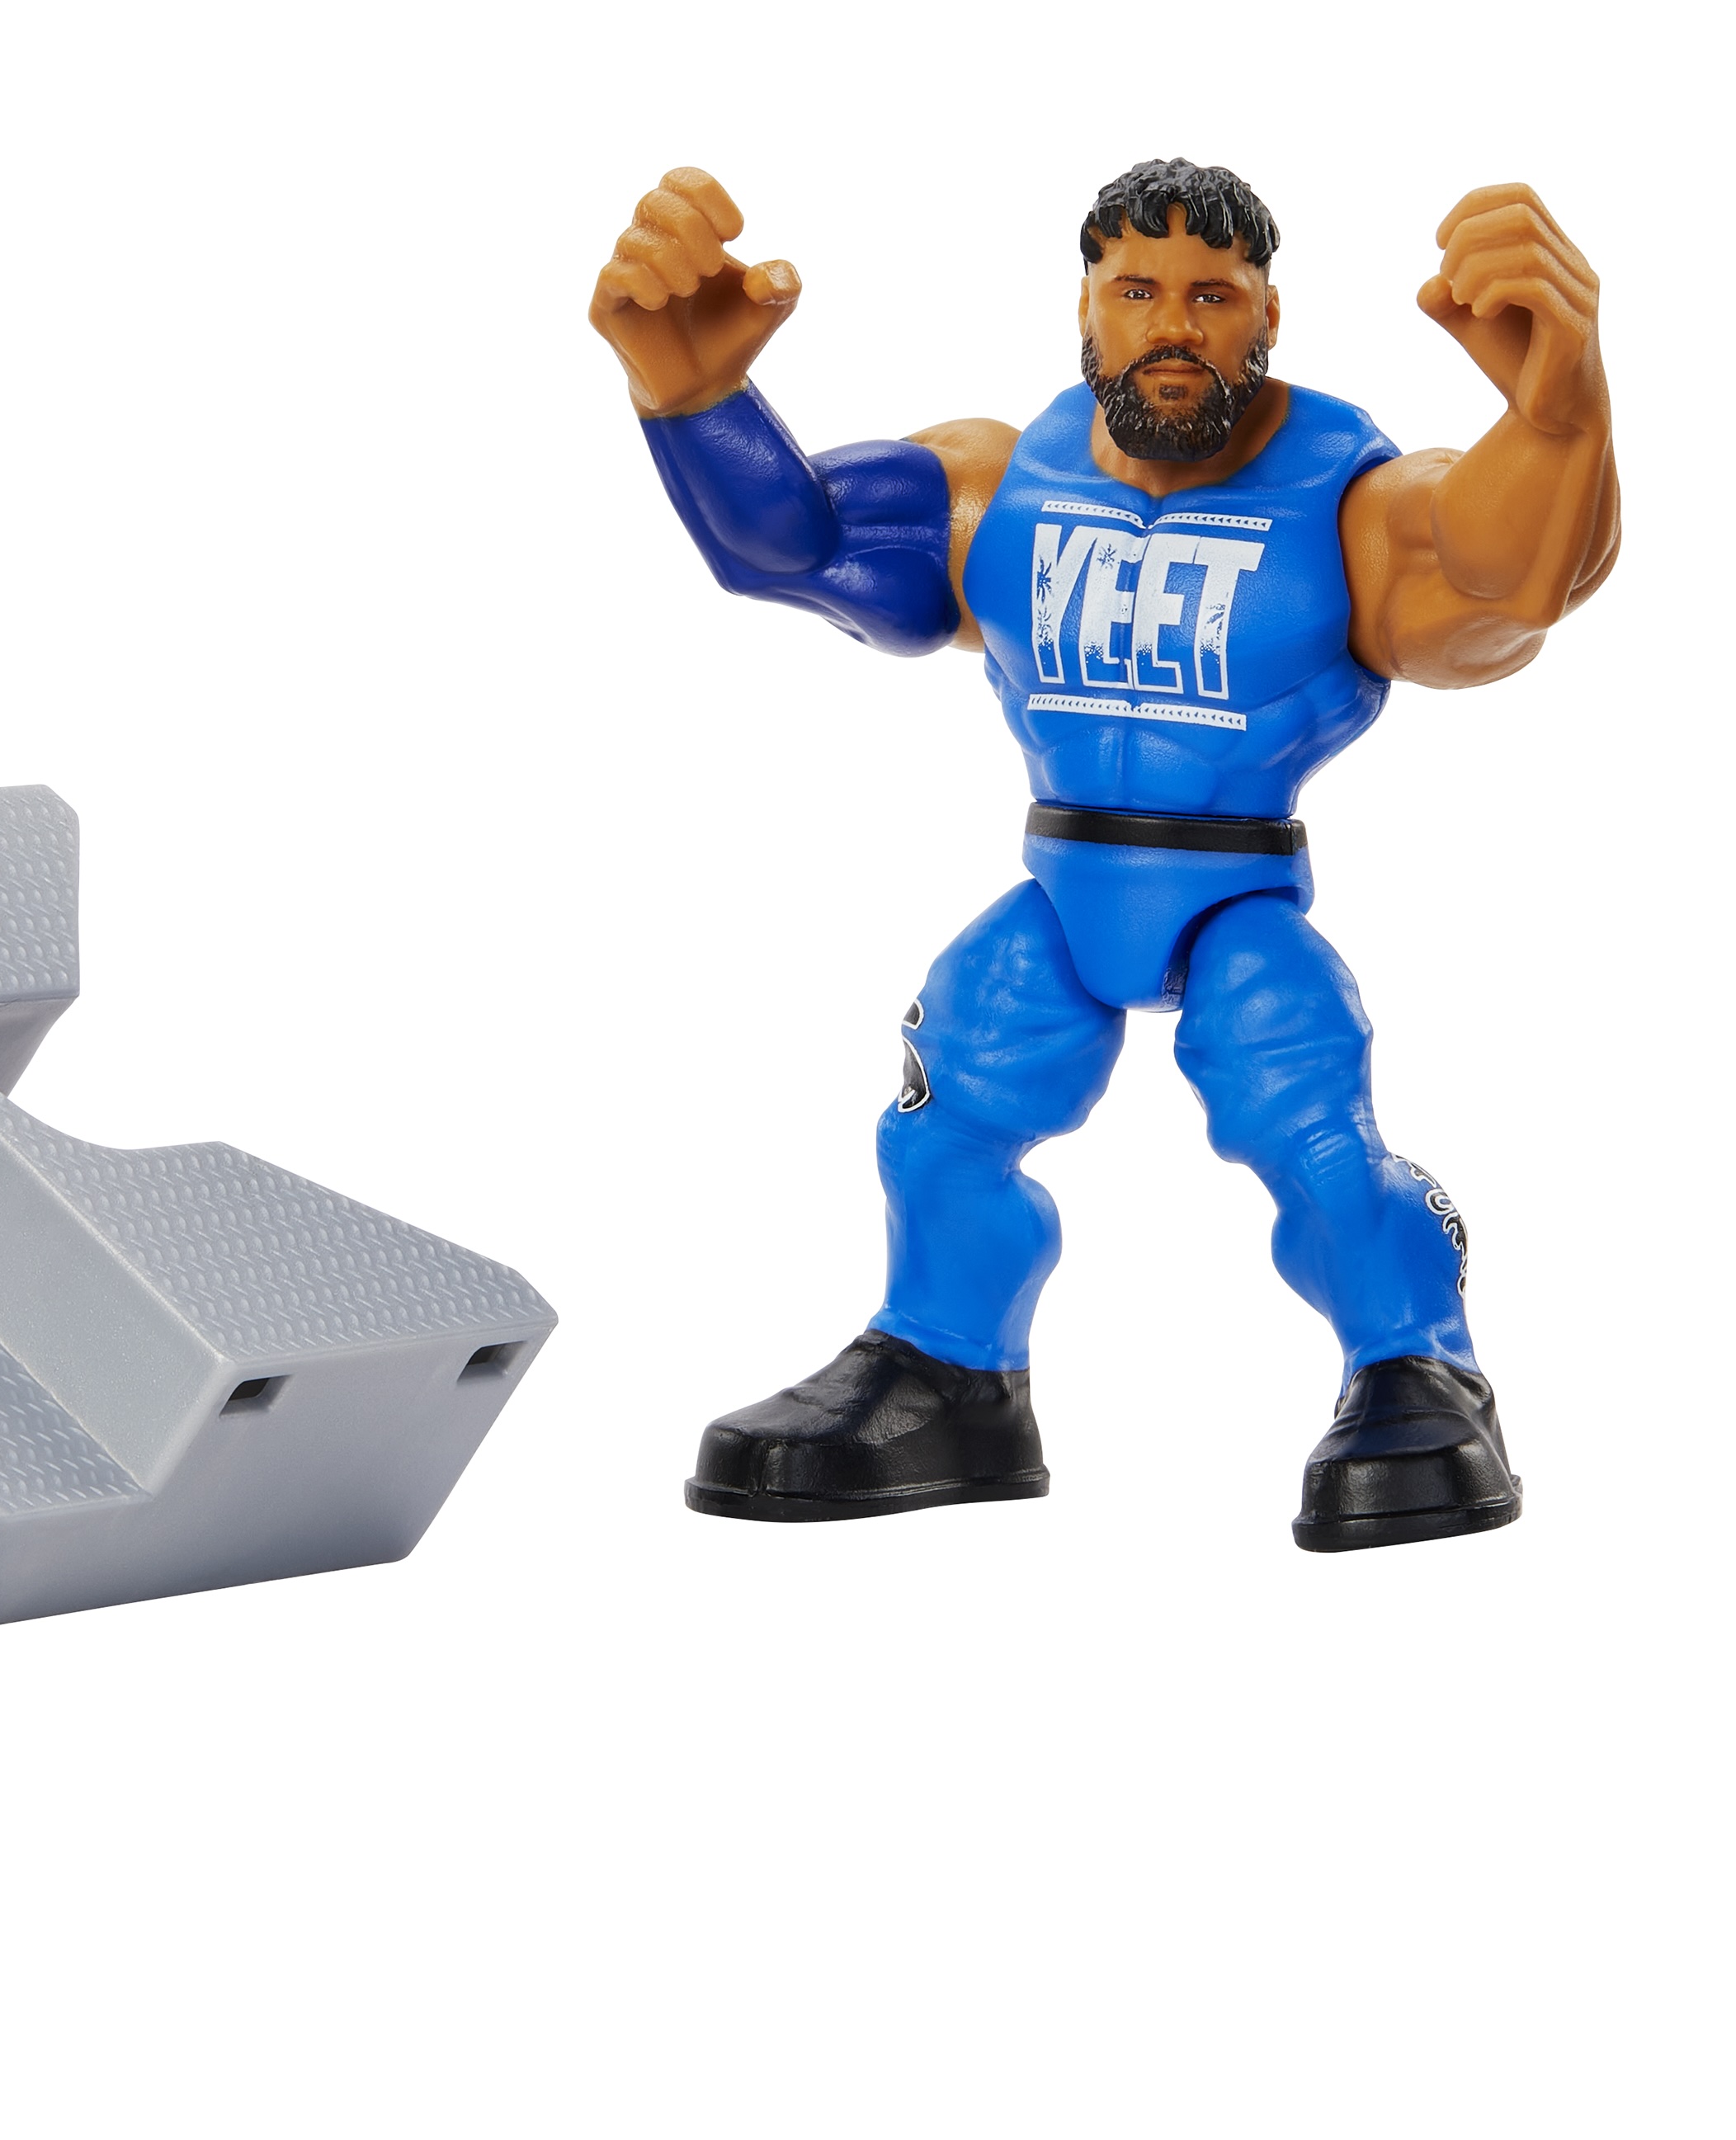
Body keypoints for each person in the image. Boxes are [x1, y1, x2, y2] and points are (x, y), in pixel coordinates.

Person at [591, 157, 1618, 1548]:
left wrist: (1558, 415)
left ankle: (1418, 1367)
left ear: (1268, 315)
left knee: (1309, 1125)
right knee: (947, 1110)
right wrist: (695, 403)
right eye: (1137, 290)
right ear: (1085, 306)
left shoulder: (1344, 495)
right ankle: (948, 1372)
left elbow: (1506, 577)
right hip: (1064, 883)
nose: (1172, 324)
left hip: (1234, 886)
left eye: (1212, 294)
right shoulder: (1007, 479)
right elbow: (803, 544)